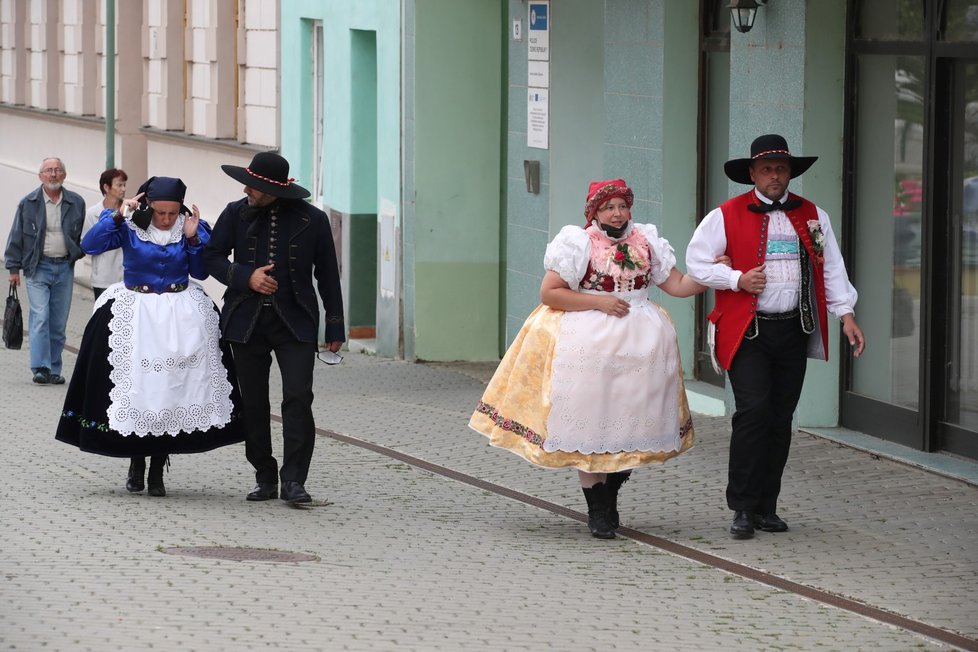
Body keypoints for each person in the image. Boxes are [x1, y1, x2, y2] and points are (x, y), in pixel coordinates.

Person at [470, 179, 721, 539]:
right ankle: (599, 511)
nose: (616, 213)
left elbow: (678, 285)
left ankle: (609, 493)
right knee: (591, 426)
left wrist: (714, 274)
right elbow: (550, 293)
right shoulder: (578, 243)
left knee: (633, 422)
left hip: (642, 347)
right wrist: (599, 301)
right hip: (588, 345)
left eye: (622, 206)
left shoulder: (646, 240)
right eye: (608, 207)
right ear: (594, 212)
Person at [685, 134, 866, 540]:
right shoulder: (725, 215)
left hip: (793, 329)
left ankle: (768, 506)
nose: (774, 176)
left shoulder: (813, 215)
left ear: (790, 173)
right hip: (748, 332)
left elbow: (831, 267)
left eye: (781, 168)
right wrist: (735, 278)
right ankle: (743, 508)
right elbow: (695, 263)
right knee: (753, 414)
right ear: (752, 174)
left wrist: (846, 314)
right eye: (766, 169)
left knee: (780, 419)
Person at [56, 176, 247, 497]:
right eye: (161, 212)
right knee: (139, 389)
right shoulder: (129, 224)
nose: (167, 219)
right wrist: (118, 214)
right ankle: (136, 462)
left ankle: (158, 467)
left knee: (171, 391)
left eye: (173, 213)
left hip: (180, 315)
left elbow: (200, 272)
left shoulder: (190, 227)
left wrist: (193, 241)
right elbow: (89, 245)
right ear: (148, 204)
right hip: (137, 311)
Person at [203, 152, 345, 505]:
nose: (247, 189)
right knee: (253, 402)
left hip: (295, 321)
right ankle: (264, 474)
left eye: (255, 185)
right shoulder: (235, 212)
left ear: (272, 188)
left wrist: (335, 324)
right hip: (245, 320)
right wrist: (244, 276)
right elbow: (211, 258)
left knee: (298, 397)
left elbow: (327, 273)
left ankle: (294, 480)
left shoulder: (312, 220)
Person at [4, 157, 86, 385]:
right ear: (40, 176)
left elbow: (79, 235)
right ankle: (40, 367)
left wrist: (77, 253)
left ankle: (54, 368)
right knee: (40, 317)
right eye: (49, 170)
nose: (53, 174)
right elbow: (16, 236)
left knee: (58, 323)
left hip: (64, 268)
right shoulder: (28, 203)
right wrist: (13, 269)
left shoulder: (76, 202)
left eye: (58, 170)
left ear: (64, 175)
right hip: (37, 266)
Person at [82, 168, 128, 299]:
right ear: (106, 187)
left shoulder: (129, 210)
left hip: (127, 278)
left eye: (124, 185)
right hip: (103, 278)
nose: (123, 189)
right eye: (119, 185)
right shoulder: (92, 213)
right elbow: (86, 244)